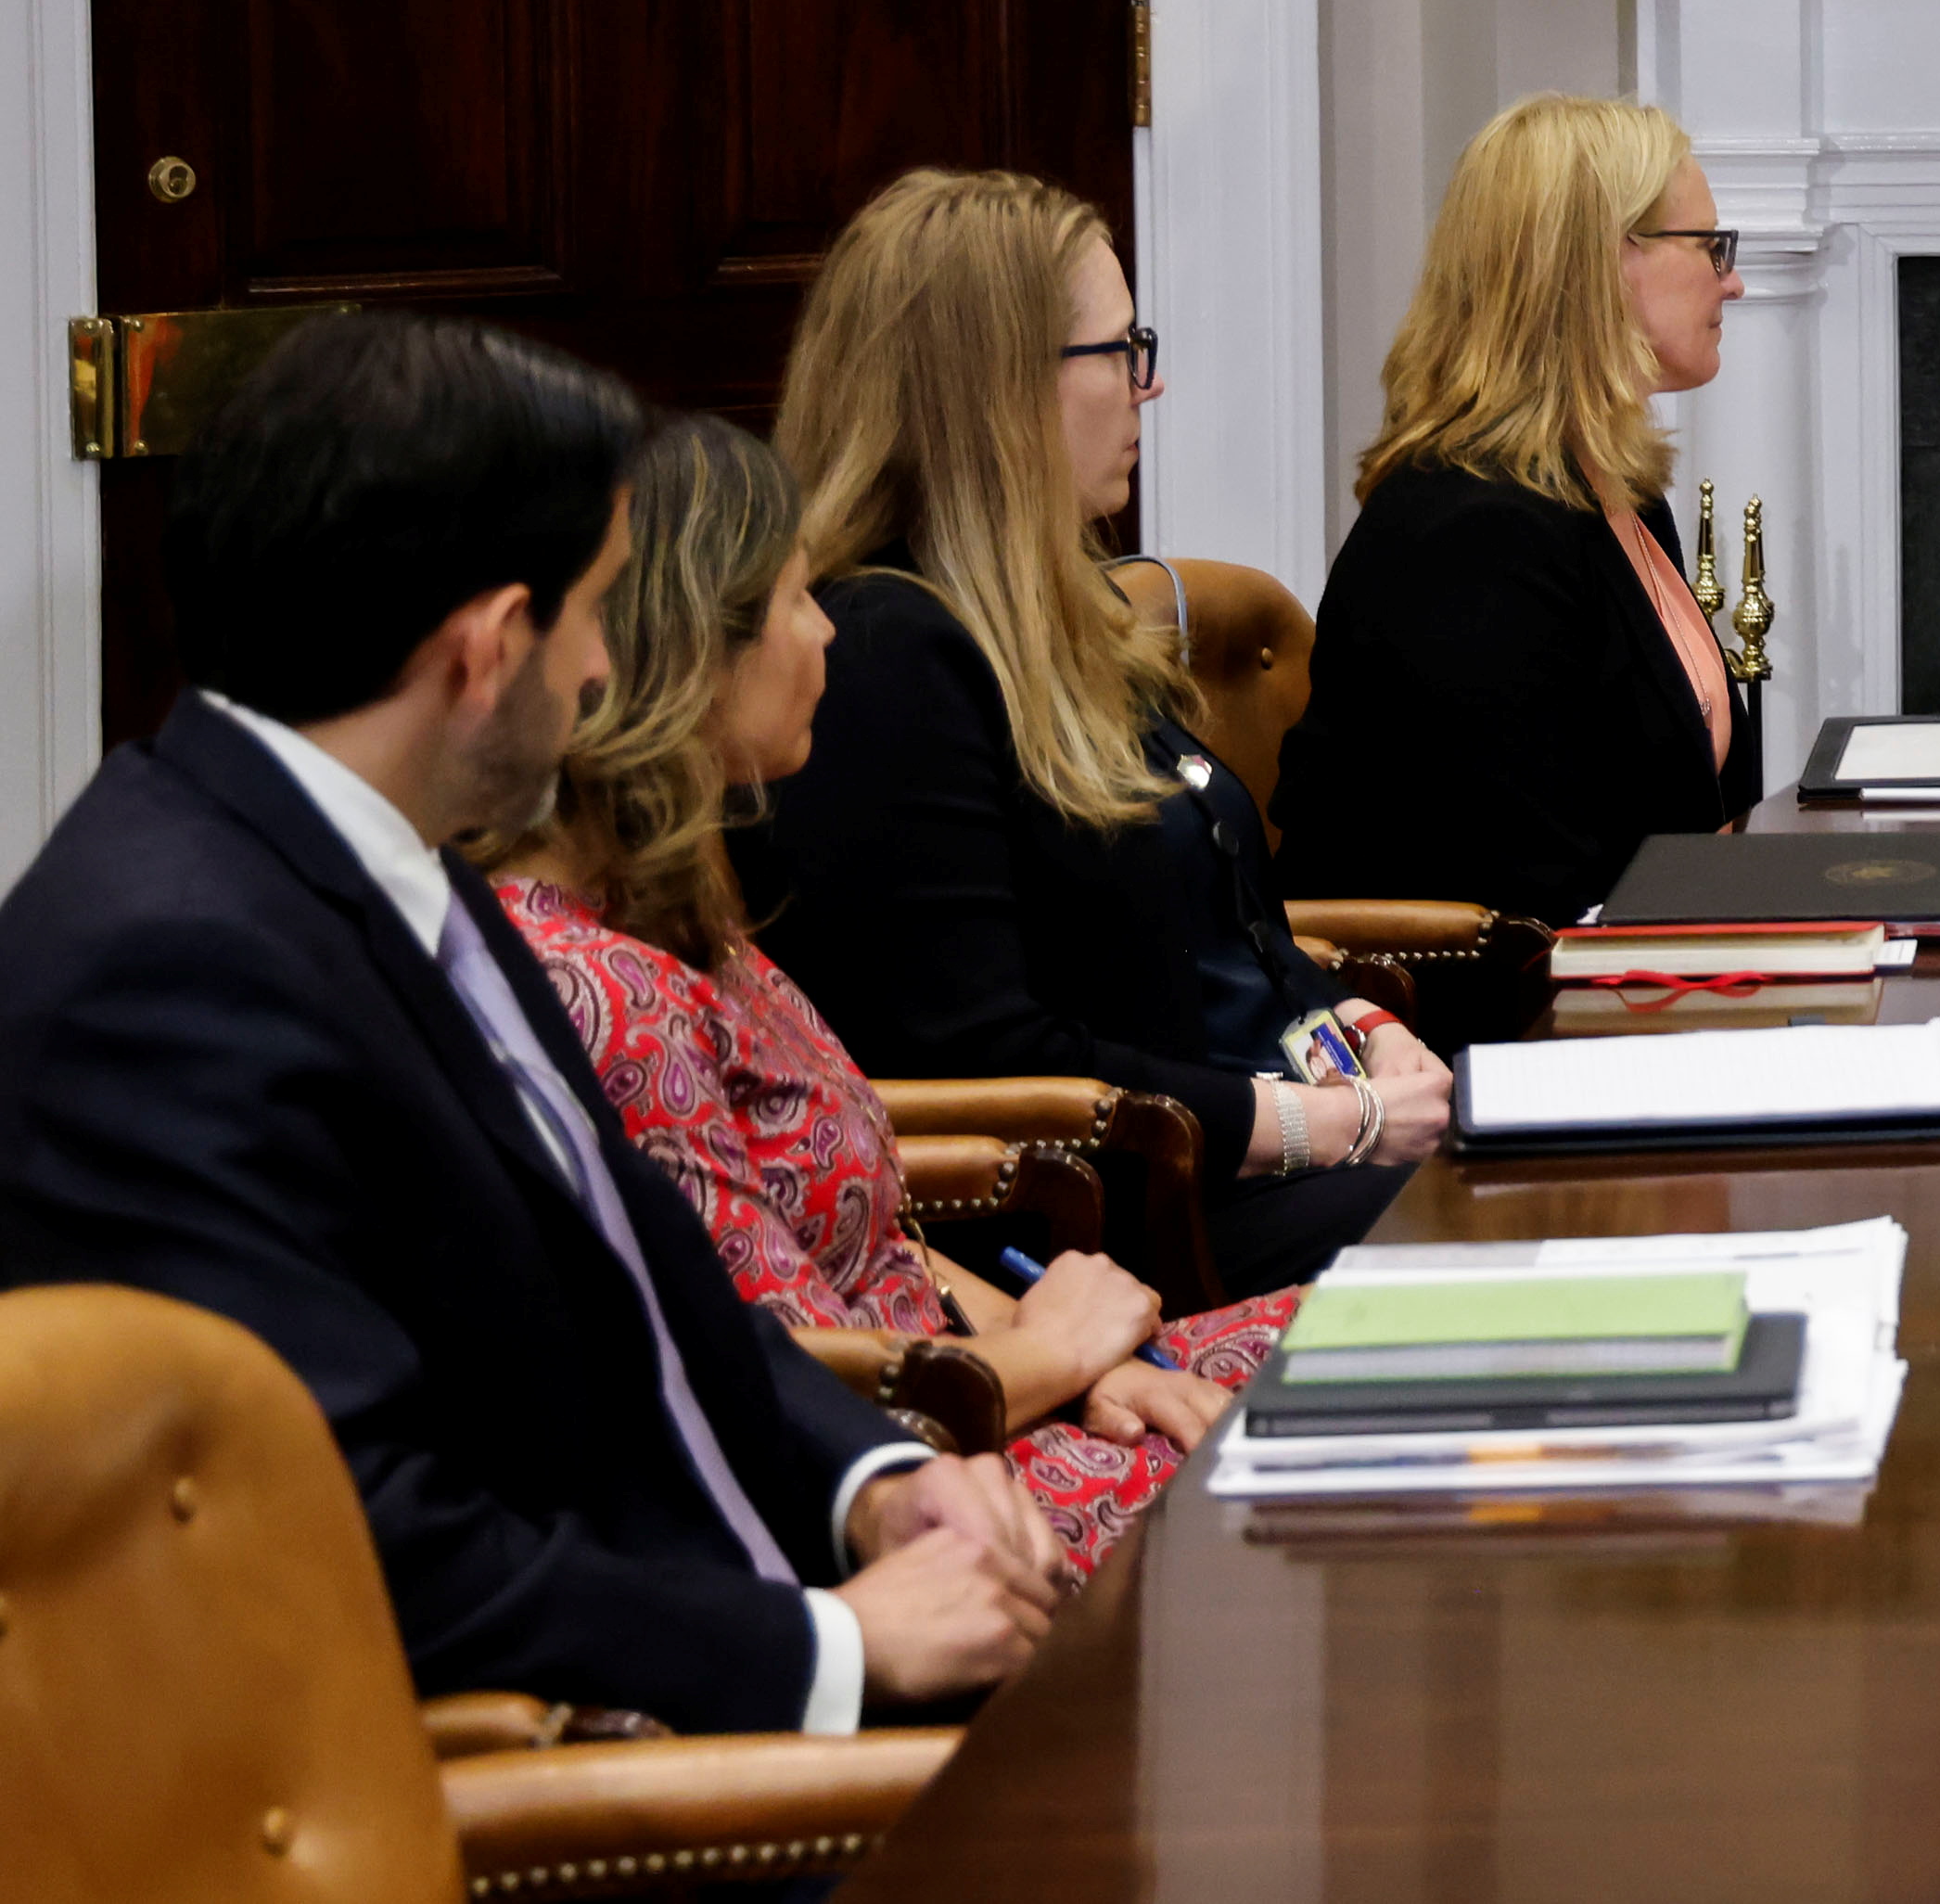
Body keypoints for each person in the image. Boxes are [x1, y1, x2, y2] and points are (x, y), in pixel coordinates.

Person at [0, 314, 1055, 1732]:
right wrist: (829, 1652)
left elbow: (657, 1284)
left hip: (750, 1636)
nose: (609, 672)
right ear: (493, 648)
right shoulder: (170, 973)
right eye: (599, 611)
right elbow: (371, 1538)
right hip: (635, 1779)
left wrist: (881, 1484)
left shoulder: (393, 856)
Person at [490, 411, 1289, 1579]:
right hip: (919, 1494)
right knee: (1349, 1474)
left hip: (985, 1391)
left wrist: (1067, 1345)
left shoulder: (683, 913)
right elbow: (793, 1372)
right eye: (796, 601)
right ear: (692, 651)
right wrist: (1056, 1358)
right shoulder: (600, 992)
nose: (827, 633)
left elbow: (883, 1254)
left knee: (1391, 1347)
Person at [741, 171, 1449, 1299]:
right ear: (995, 387)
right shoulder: (885, 653)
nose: (1147, 384)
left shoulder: (1062, 607)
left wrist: (1351, 1020)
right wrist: (1322, 1122)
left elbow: (1235, 924)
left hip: (1250, 1158)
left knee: (1548, 1172)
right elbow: (989, 1053)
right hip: (1122, 1228)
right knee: (1513, 1216)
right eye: (1119, 350)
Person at [1274, 95, 1768, 920]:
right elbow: (1522, 897)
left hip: (1641, 975)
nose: (1735, 281)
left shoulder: (1617, 489)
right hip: (1500, 1021)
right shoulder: (1471, 533)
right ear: (1600, 262)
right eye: (1712, 248)